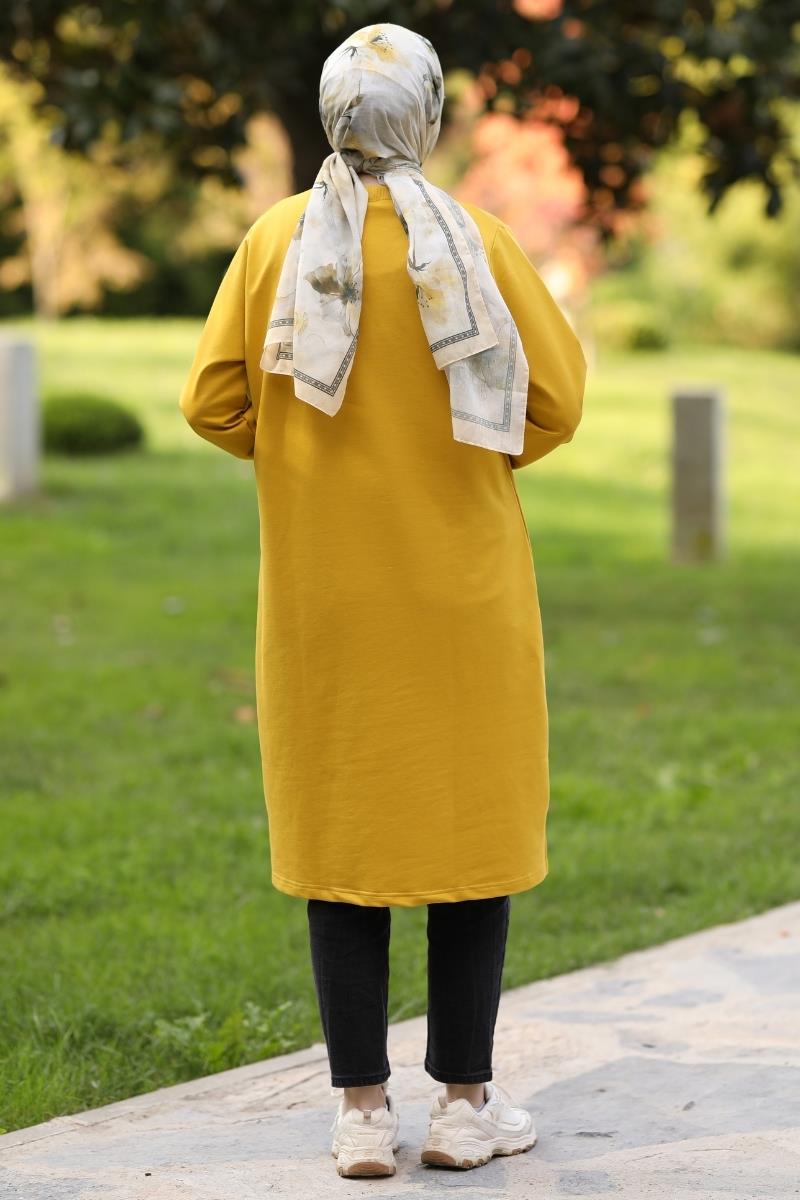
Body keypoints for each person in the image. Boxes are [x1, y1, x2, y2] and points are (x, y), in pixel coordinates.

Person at [179, 21, 586, 1179]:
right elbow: (555, 403)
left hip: (326, 602)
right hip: (464, 593)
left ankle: (361, 1113)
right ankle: (462, 1108)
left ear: (329, 115)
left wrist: (300, 453)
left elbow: (211, 402)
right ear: (429, 115)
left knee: (341, 848)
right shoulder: (476, 240)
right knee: (470, 846)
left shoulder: (274, 242)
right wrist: (469, 450)